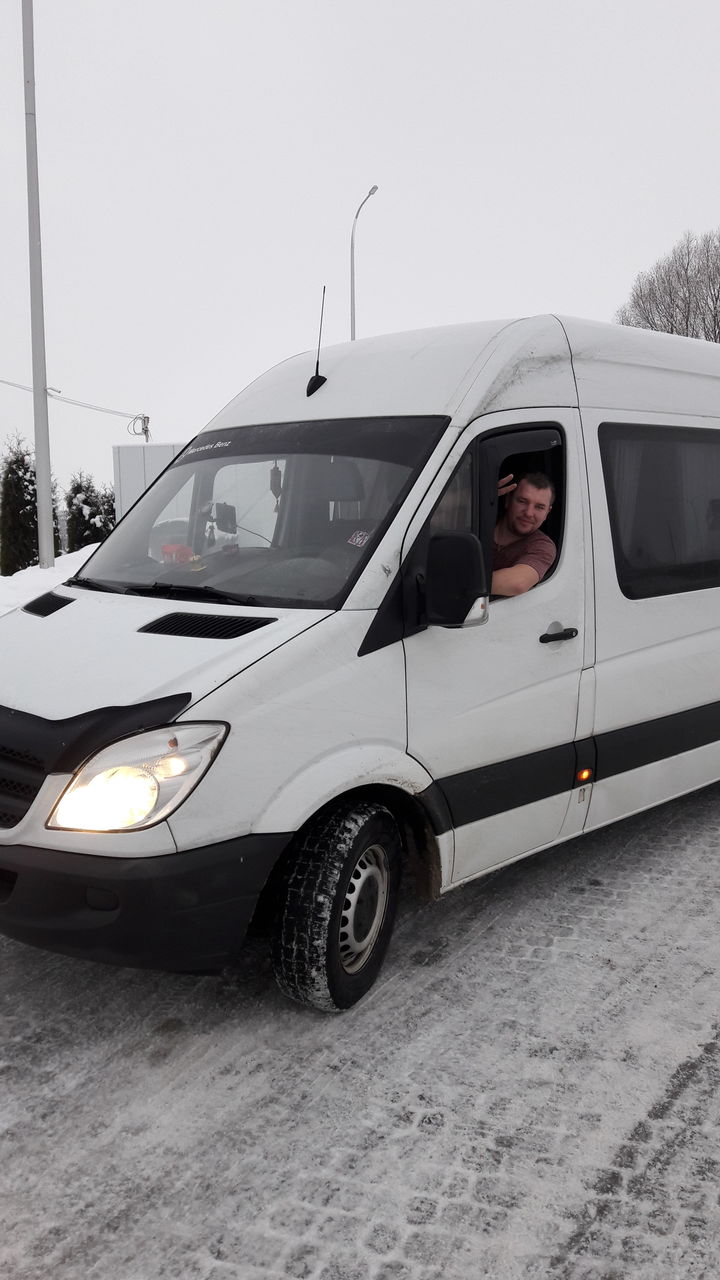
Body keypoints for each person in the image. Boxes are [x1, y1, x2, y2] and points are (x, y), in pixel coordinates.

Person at [492, 472, 556, 596]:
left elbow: (517, 583)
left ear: (547, 513)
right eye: (522, 501)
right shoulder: (477, 522)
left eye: (539, 507)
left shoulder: (542, 546)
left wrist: (455, 581)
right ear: (508, 500)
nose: (528, 513)